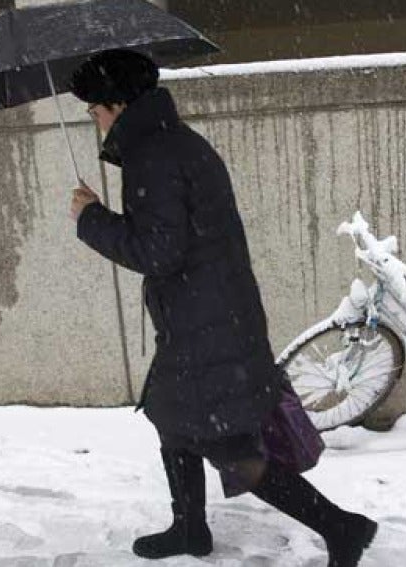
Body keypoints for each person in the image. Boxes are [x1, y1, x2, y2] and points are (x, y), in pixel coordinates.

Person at [68, 49, 378, 567]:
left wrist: (91, 219)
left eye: (94, 109)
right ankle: (189, 528)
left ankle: (341, 527)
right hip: (209, 318)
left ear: (116, 105)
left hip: (205, 326)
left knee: (230, 448)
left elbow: (158, 252)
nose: (93, 120)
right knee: (171, 417)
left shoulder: (153, 156)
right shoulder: (174, 144)